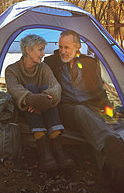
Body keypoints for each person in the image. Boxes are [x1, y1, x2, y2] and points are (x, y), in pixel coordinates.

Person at [44, 30, 124, 193]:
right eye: (60, 47)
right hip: (67, 109)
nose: (63, 51)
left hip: (90, 107)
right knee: (80, 111)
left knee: (94, 124)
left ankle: (116, 169)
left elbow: (99, 92)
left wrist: (109, 112)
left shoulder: (89, 63)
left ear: (78, 47)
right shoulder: (51, 62)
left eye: (67, 47)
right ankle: (121, 146)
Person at [5, 34, 74, 172]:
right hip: (24, 110)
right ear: (28, 50)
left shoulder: (43, 68)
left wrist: (45, 97)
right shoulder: (11, 70)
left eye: (43, 50)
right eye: (40, 50)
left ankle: (56, 147)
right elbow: (14, 89)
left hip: (43, 107)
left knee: (45, 89)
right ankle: (43, 149)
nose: (43, 54)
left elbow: (56, 86)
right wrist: (31, 99)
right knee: (30, 88)